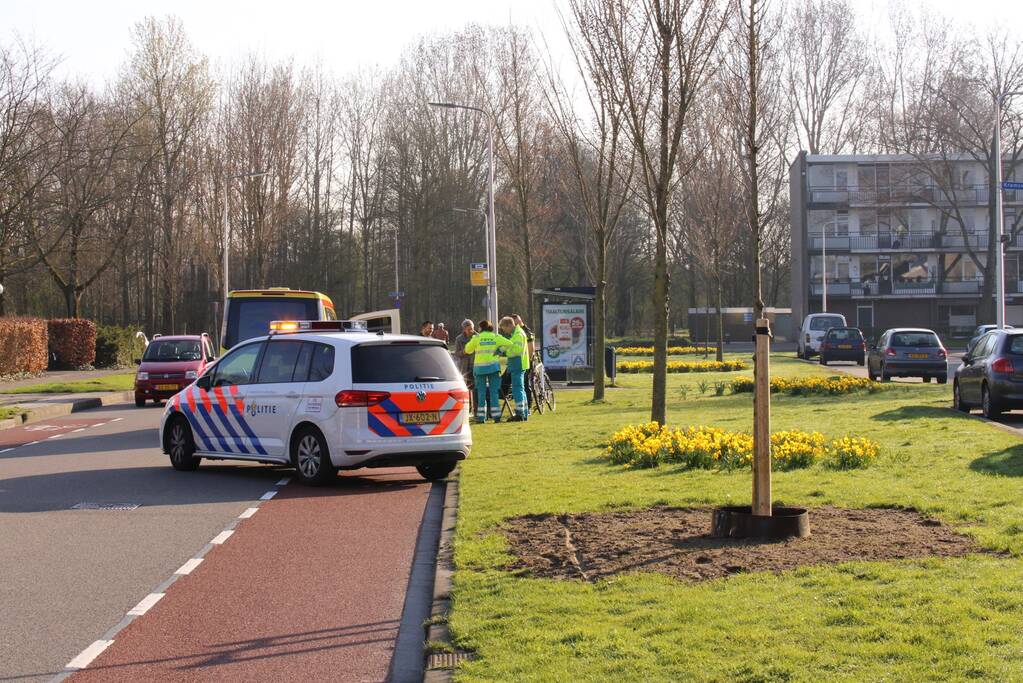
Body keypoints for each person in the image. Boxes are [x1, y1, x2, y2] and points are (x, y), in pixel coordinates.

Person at [464, 319, 510, 423]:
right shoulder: (495, 337)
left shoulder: (477, 338)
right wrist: (499, 351)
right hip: (493, 369)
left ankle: (481, 418)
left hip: (480, 370)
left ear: (481, 328)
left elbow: (467, 350)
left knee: (481, 393)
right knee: (494, 393)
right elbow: (509, 343)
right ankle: (496, 417)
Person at [500, 316, 531, 422]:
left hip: (517, 364)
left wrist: (505, 352)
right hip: (519, 364)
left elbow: (516, 351)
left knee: (517, 389)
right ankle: (524, 412)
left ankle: (519, 414)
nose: (505, 332)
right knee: (521, 389)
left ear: (509, 325)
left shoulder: (517, 334)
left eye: (504, 329)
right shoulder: (517, 333)